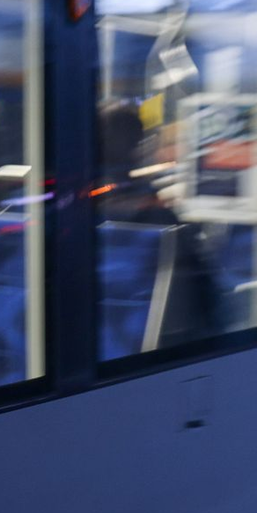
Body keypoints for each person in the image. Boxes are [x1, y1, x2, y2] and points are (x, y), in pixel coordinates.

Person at [97, 101, 222, 345]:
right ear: (137, 147)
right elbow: (204, 293)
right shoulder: (158, 217)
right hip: (161, 340)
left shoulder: (72, 211)